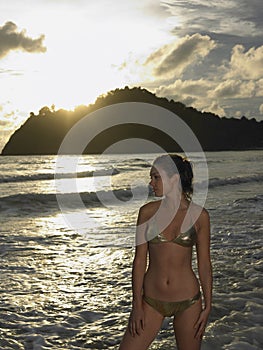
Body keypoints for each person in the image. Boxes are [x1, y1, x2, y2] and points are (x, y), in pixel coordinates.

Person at [119, 154, 212, 350]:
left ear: (174, 179)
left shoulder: (199, 217)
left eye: (156, 177)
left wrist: (208, 305)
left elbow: (204, 263)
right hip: (151, 301)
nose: (151, 183)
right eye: (151, 177)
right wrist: (136, 305)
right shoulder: (147, 213)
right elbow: (139, 261)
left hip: (188, 301)